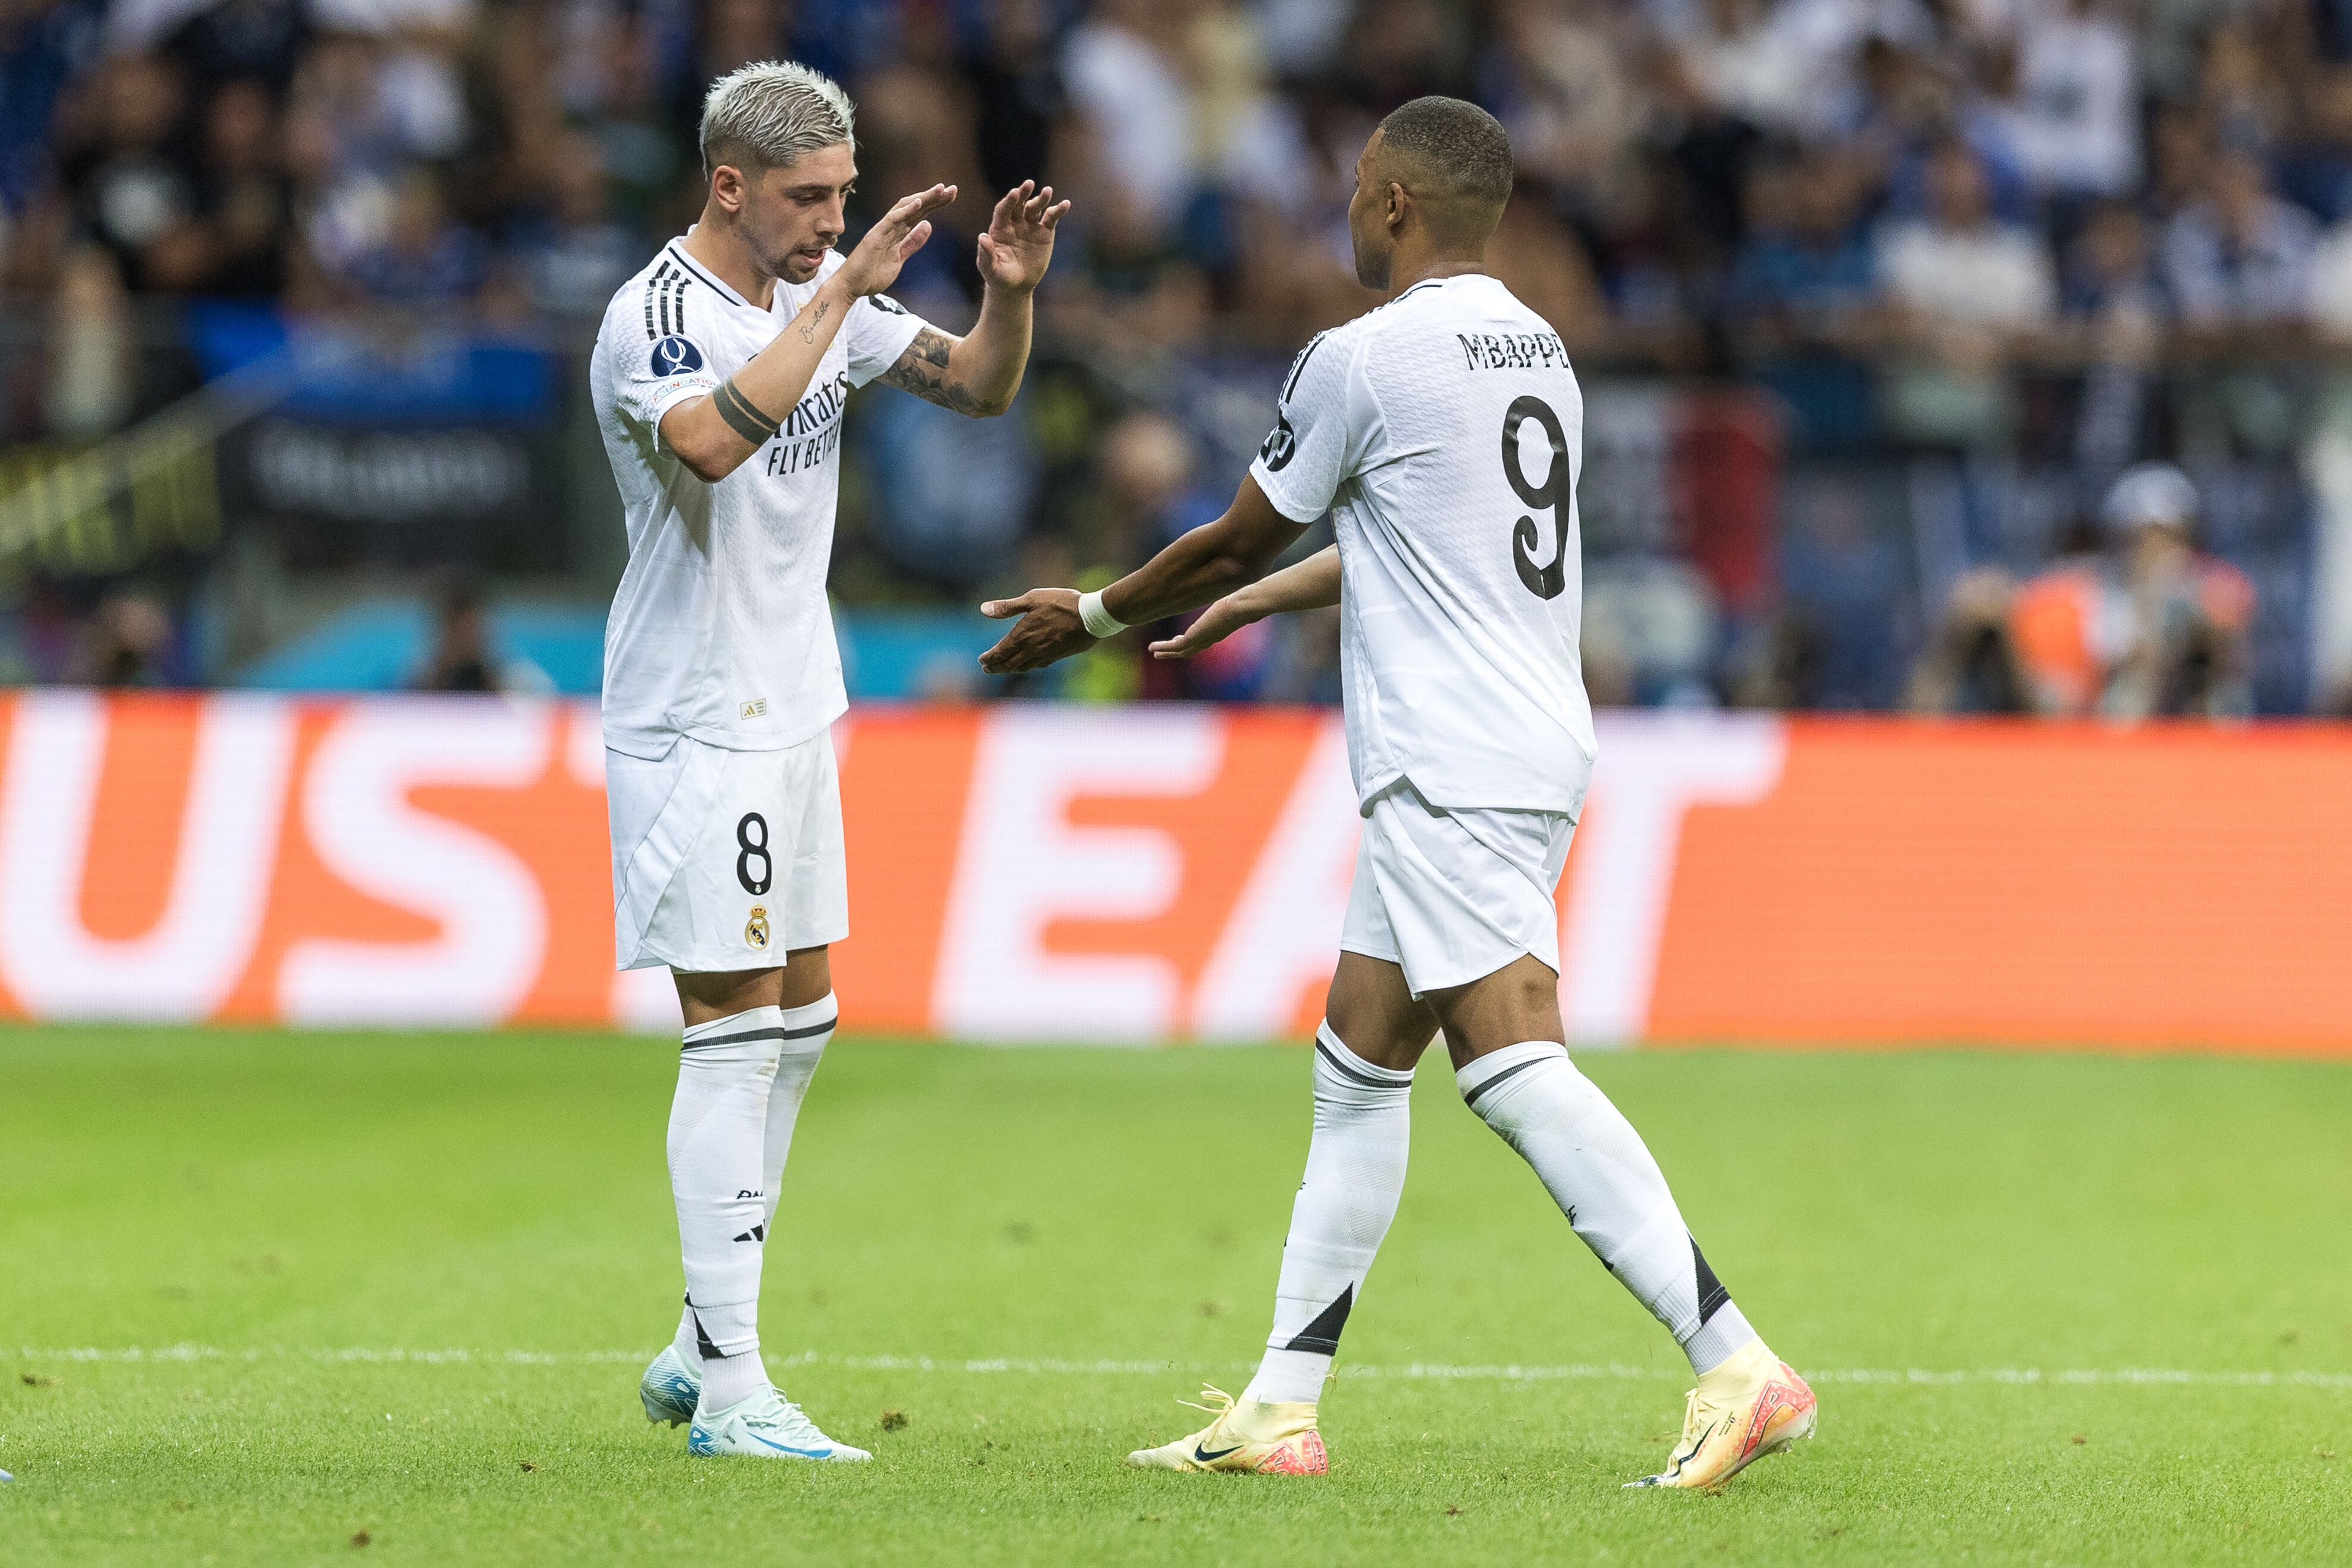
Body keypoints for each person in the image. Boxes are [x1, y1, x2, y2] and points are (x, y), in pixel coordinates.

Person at [978, 96, 1813, 1490]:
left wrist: (1103, 614)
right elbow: (1414, 540)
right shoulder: (1539, 347)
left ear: (1396, 203)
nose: (1349, 212)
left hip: (1449, 755)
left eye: (1360, 189)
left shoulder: (1360, 356)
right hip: (1523, 730)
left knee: (1511, 1057)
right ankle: (1279, 1406)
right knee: (1360, 1063)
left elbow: (1248, 515)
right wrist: (1257, 599)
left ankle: (1736, 1358)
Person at [590, 59, 1066, 1463]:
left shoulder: (824, 293)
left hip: (796, 704)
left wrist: (1014, 290)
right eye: (807, 199)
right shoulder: (654, 316)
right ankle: (734, 1387)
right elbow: (708, 442)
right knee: (732, 1032)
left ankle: (697, 1341)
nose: (830, 221)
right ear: (726, 184)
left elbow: (978, 389)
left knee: (802, 1023)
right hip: (692, 717)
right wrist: (843, 292)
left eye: (843, 197)